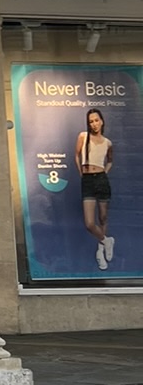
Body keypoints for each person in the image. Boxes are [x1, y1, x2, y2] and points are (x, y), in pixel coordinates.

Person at [77, 108, 114, 269]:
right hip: (87, 180)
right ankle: (107, 241)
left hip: (101, 179)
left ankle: (100, 252)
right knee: (89, 223)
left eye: (96, 120)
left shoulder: (107, 142)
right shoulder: (83, 136)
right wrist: (82, 174)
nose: (94, 124)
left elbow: (110, 160)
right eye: (91, 121)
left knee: (103, 217)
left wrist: (104, 173)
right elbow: (76, 155)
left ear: (102, 121)